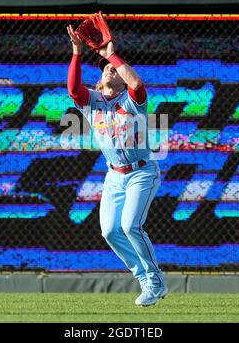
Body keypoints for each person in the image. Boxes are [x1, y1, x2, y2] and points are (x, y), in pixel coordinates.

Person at [66, 23, 168, 306]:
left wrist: (111, 55)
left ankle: (155, 280)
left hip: (141, 173)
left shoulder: (132, 101)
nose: (109, 69)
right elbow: (74, 89)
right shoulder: (92, 101)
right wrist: (77, 52)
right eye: (105, 67)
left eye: (114, 68)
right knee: (110, 231)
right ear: (99, 79)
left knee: (130, 226)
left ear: (122, 79)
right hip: (114, 177)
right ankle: (145, 278)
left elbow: (137, 84)